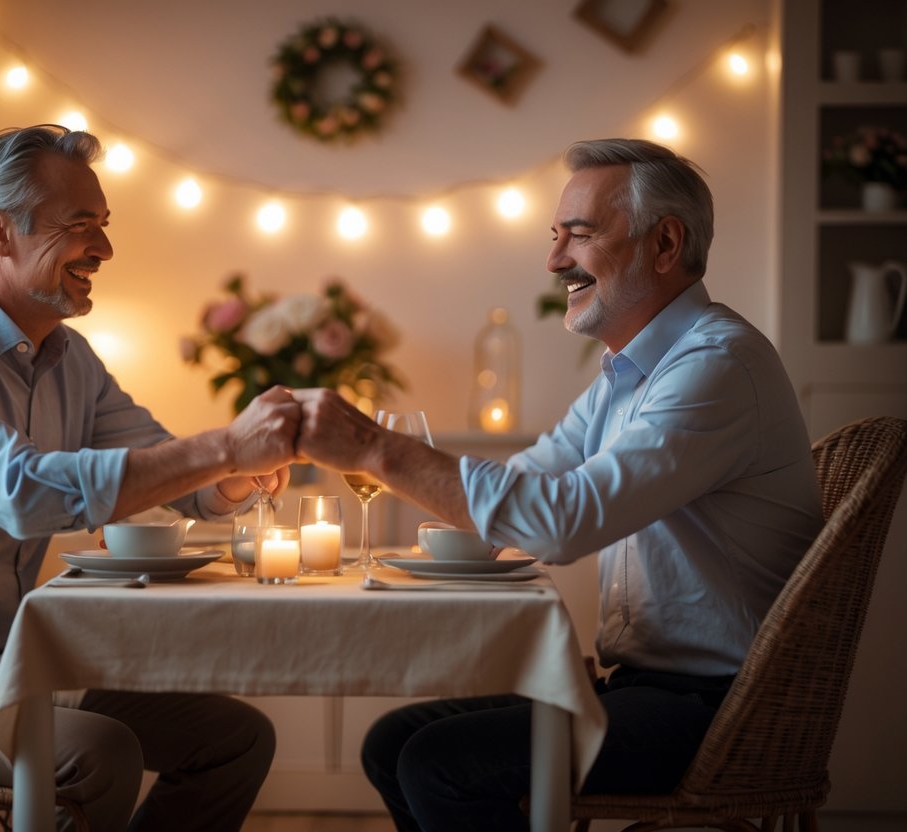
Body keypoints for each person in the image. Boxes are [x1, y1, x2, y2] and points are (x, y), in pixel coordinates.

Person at [293, 138, 823, 830]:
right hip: (646, 688)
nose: (553, 261)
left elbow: (561, 522)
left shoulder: (716, 367)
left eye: (580, 234)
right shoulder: (629, 375)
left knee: (436, 762)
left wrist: (372, 448)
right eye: (554, 236)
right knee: (393, 744)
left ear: (665, 243)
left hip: (721, 708)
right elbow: (532, 478)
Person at [0, 124, 299, 831]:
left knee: (235, 739)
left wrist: (236, 473)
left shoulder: (71, 358)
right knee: (99, 754)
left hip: (9, 666)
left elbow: (173, 470)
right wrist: (224, 446)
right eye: (79, 226)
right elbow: (21, 494)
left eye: (103, 225)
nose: (104, 249)